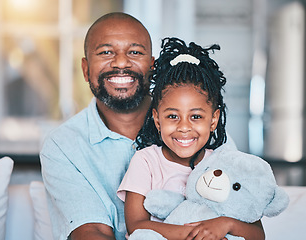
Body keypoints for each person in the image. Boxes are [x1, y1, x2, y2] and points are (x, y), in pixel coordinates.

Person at [117, 37, 265, 240]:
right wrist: (196, 235)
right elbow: (136, 226)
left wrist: (225, 224)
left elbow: (258, 234)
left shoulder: (225, 163)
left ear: (213, 120)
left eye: (196, 116)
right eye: (172, 116)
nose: (184, 127)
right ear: (157, 120)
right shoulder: (146, 161)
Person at [40, 12, 155, 240]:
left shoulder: (193, 128)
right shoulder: (62, 145)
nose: (121, 62)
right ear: (85, 69)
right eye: (105, 52)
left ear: (152, 67)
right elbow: (91, 232)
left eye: (134, 52)